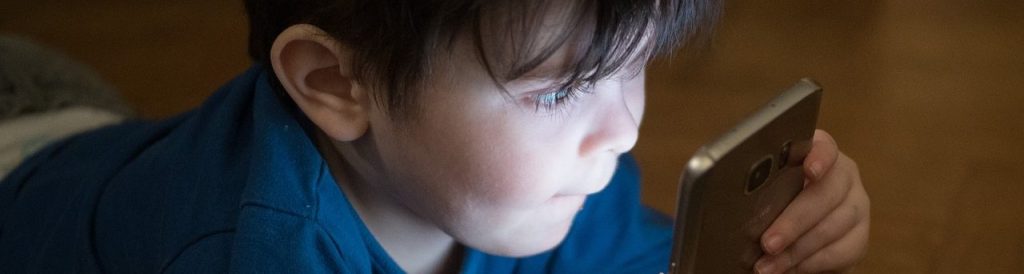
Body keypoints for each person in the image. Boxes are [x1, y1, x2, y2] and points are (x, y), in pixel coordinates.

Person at [0, 0, 870, 273]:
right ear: (340, 84)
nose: (622, 127)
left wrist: (764, 250)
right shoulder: (256, 250)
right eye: (563, 88)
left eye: (630, 66)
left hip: (105, 144)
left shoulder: (548, 174)